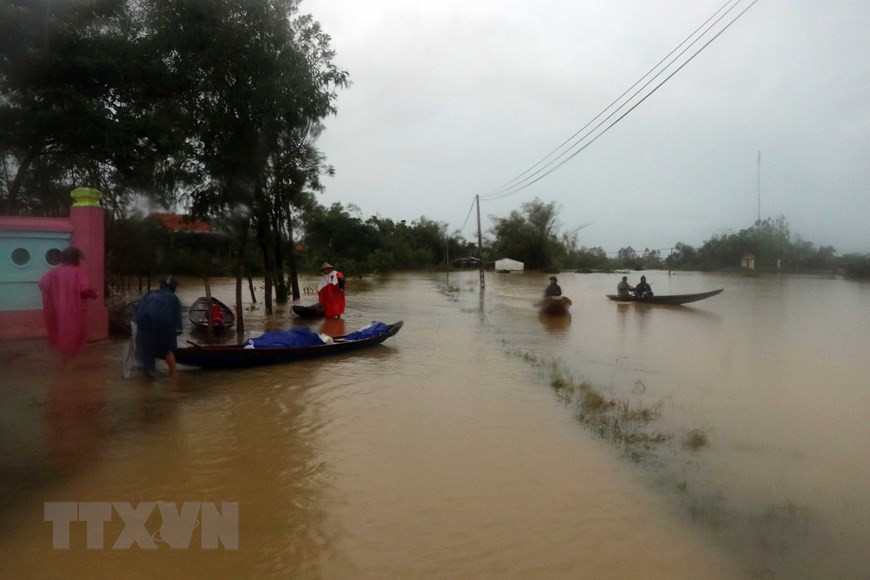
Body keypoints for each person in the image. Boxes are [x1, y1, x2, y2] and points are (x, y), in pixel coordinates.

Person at [38, 247, 98, 357]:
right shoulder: (79, 272)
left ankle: (63, 357)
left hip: (57, 308)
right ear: (76, 259)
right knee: (74, 331)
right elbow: (85, 289)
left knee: (60, 330)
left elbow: (42, 284)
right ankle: (71, 360)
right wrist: (93, 295)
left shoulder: (53, 272)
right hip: (74, 308)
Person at [133, 275, 183, 379]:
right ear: (173, 287)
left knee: (145, 348)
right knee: (167, 350)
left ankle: (146, 374)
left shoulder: (150, 294)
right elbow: (177, 325)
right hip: (162, 321)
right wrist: (174, 335)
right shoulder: (173, 298)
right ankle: (174, 376)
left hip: (142, 319)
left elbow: (137, 311)